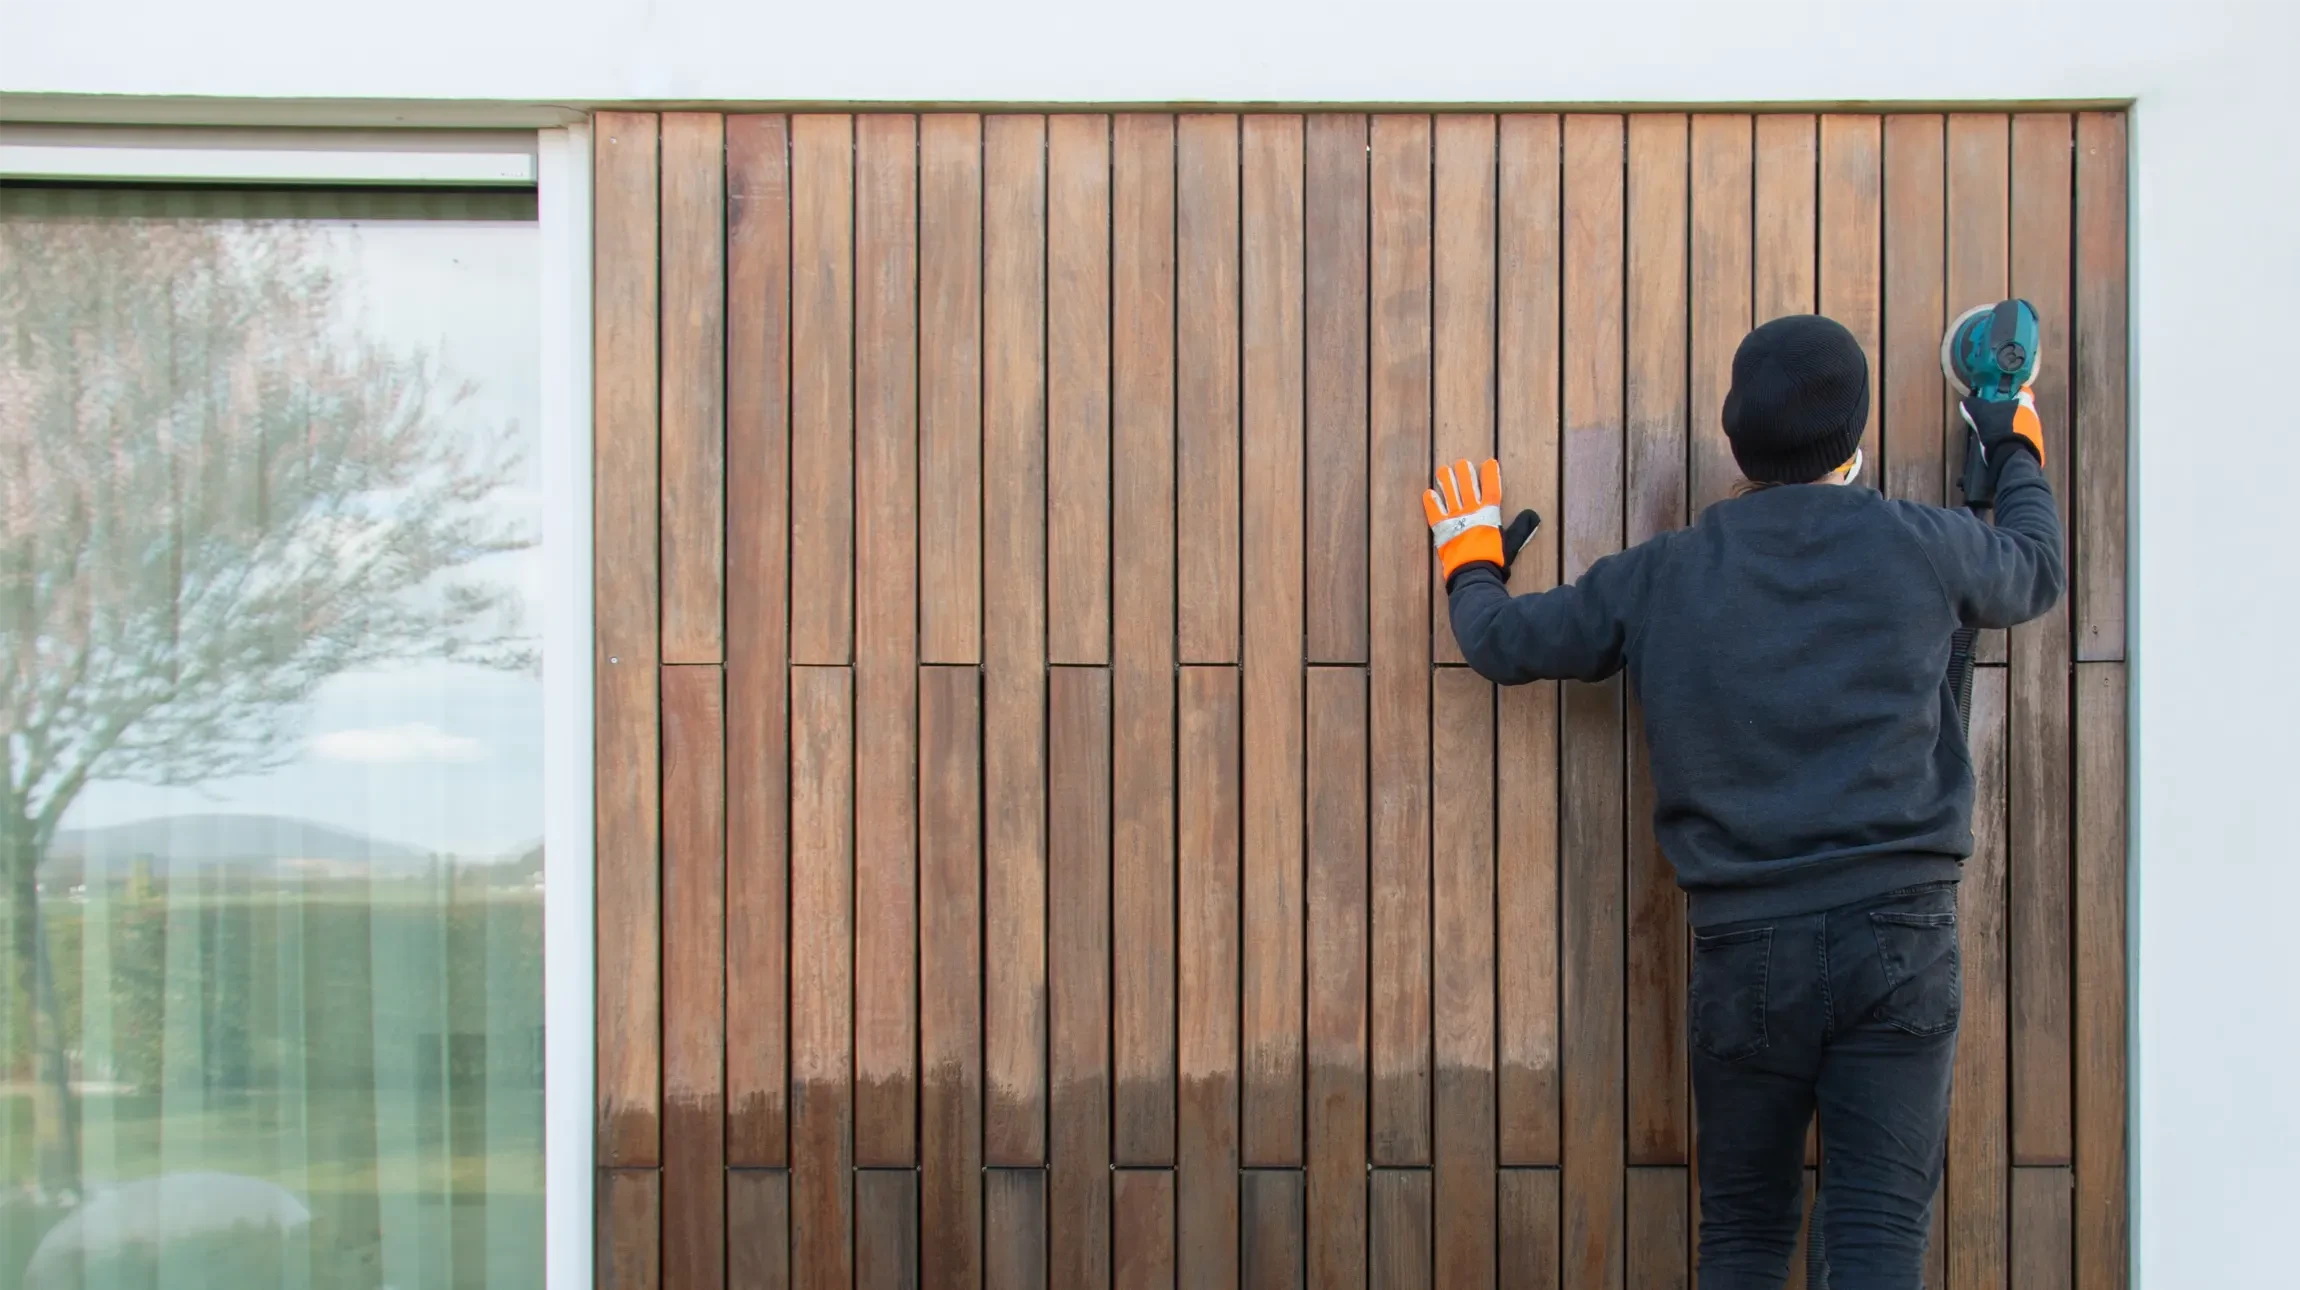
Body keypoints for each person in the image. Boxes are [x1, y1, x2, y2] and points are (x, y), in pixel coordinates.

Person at [1425, 312, 2061, 1289]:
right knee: (1875, 1234)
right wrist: (2009, 435)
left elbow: (1500, 642)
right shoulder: (1930, 547)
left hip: (1744, 950)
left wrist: (1468, 559)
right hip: (1899, 937)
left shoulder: (1661, 575)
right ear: (1853, 437)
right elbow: (2035, 564)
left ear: (1734, 439)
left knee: (1745, 1236)